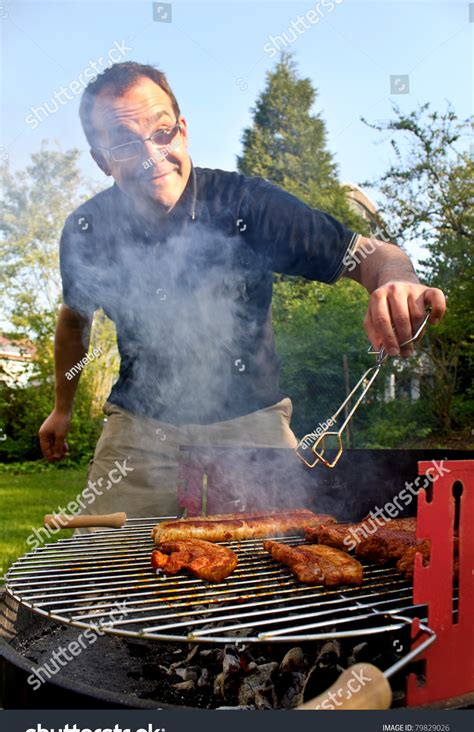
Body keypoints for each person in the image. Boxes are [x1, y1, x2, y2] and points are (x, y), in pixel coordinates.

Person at [38, 61, 446, 521]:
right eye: (127, 144)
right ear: (101, 159)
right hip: (140, 429)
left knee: (292, 558)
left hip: (254, 425)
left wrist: (397, 280)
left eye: (162, 132)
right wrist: (61, 409)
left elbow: (373, 255)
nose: (153, 155)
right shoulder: (87, 230)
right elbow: (75, 321)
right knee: (105, 571)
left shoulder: (247, 203)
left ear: (183, 131)